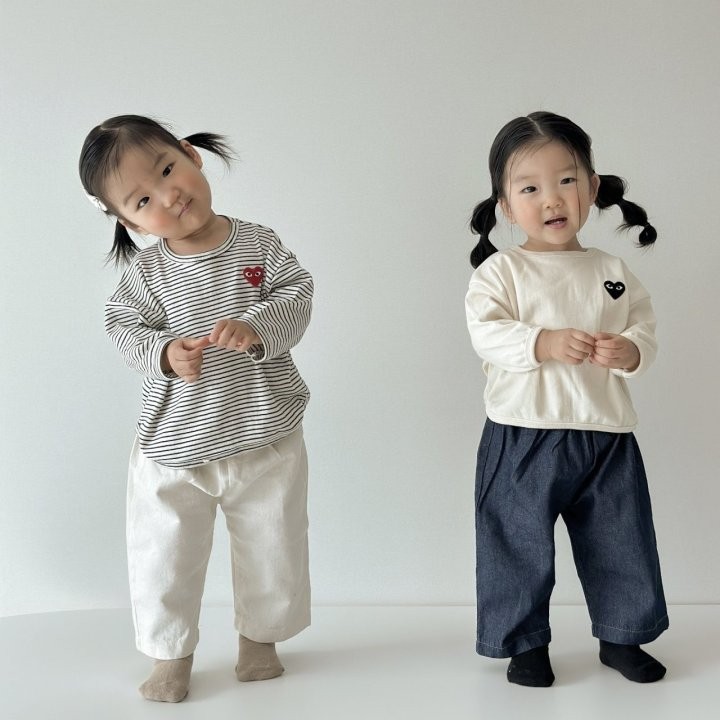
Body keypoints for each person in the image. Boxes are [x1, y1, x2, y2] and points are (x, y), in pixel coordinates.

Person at [79, 115, 313, 702]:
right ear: (128, 221)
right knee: (164, 557)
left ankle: (260, 641)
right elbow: (122, 325)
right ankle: (170, 654)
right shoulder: (148, 273)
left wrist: (257, 326)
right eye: (143, 200)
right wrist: (163, 352)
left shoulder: (259, 244)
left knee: (273, 544)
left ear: (190, 154)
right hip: (175, 444)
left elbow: (298, 293)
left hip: (264, 430)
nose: (168, 195)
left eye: (167, 169)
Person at [465, 111, 668, 687]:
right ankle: (525, 644)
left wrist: (631, 351)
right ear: (506, 206)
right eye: (529, 188)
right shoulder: (501, 272)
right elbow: (486, 332)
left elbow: (644, 326)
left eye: (566, 180)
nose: (552, 199)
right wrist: (543, 341)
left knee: (621, 540)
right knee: (516, 545)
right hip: (522, 432)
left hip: (606, 434)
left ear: (592, 187)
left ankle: (622, 636)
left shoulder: (611, 270)